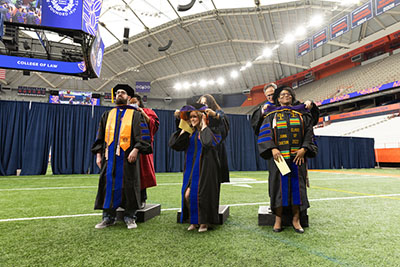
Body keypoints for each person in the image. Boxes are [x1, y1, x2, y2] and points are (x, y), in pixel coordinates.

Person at [257, 86, 317, 234]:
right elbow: (265, 133)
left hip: (297, 158)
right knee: (278, 188)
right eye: (282, 94)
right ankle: (278, 219)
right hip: (279, 159)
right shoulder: (271, 115)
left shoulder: (301, 114)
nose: (285, 96)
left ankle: (296, 219)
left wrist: (304, 149)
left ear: (292, 97)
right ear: (277, 98)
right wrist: (272, 148)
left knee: (297, 188)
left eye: (288, 94)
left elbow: (309, 132)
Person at [91, 84, 152, 229]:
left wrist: (136, 150)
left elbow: (143, 136)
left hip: (128, 158)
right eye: (117, 92)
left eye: (123, 93)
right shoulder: (107, 114)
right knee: (107, 186)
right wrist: (98, 155)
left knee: (130, 186)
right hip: (109, 158)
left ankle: (130, 217)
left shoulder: (136, 115)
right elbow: (100, 137)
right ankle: (108, 217)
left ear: (129, 97)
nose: (119, 94)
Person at [169, 103, 222, 233]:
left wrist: (204, 125)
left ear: (201, 117)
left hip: (207, 168)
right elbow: (174, 145)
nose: (192, 119)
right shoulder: (190, 133)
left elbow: (208, 143)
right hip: (191, 168)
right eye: (190, 117)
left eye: (194, 116)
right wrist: (184, 127)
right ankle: (194, 220)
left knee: (203, 195)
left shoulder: (212, 131)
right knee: (187, 194)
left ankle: (204, 222)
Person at [251, 83, 320, 136]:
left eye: (272, 94)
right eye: (268, 95)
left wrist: (310, 104)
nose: (271, 97)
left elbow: (309, 120)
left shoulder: (294, 104)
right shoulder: (266, 109)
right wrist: (263, 110)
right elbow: (258, 127)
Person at [129, 94, 159, 209]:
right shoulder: (126, 113)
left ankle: (142, 198)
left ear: (140, 102)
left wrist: (142, 112)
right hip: (128, 146)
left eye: (134, 102)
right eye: (130, 102)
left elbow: (153, 124)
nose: (132, 104)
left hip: (142, 146)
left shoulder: (147, 111)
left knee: (142, 173)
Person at [197, 94, 230, 183]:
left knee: (214, 178)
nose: (204, 105)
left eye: (206, 103)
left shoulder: (218, 113)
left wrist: (215, 115)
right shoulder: (197, 115)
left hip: (214, 148)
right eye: (202, 103)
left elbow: (224, 123)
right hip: (200, 147)